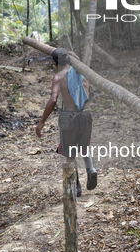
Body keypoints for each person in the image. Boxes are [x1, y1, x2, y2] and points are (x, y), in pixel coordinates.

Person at [35, 48, 97, 197]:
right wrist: (70, 53)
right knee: (84, 146)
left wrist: (42, 121)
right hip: (85, 116)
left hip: (68, 118)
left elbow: (53, 99)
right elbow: (76, 60)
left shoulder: (59, 77)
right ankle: (91, 169)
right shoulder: (83, 73)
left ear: (55, 64)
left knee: (70, 153)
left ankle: (75, 186)